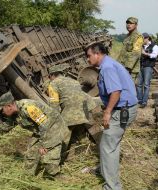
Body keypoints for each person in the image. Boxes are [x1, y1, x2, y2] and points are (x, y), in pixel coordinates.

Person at [86, 42, 138, 190]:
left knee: (107, 146)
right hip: (126, 107)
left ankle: (112, 187)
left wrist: (107, 112)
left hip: (122, 110)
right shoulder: (109, 63)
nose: (88, 60)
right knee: (110, 143)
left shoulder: (107, 68)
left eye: (89, 56)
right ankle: (106, 169)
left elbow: (115, 91)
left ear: (97, 54)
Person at [0, 91, 69, 178]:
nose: (2, 113)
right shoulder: (14, 114)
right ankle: (28, 176)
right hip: (40, 130)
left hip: (53, 126)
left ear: (9, 106)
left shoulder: (28, 107)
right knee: (31, 153)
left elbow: (45, 125)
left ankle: (54, 175)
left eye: (2, 110)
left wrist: (43, 145)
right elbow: (7, 126)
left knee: (48, 155)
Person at [46, 63, 98, 147]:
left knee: (62, 138)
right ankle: (84, 141)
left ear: (52, 75)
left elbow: (54, 106)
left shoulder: (53, 84)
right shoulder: (73, 81)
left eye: (49, 77)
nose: (49, 79)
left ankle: (62, 155)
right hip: (86, 109)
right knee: (80, 127)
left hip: (71, 114)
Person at [136, 33, 158, 108]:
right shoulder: (141, 46)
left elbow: (154, 55)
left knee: (146, 85)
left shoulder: (154, 46)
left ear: (147, 38)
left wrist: (145, 53)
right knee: (138, 84)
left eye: (143, 39)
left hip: (148, 67)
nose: (142, 40)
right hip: (140, 66)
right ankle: (139, 100)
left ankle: (144, 102)